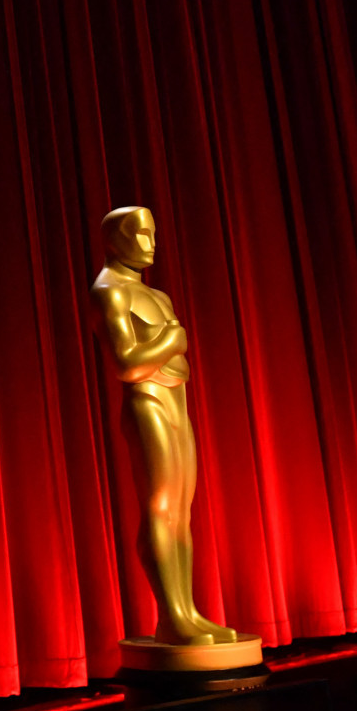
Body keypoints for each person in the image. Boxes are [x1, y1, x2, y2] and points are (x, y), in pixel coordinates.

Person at [90, 206, 239, 647]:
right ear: (115, 240)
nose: (149, 244)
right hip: (147, 402)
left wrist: (166, 343)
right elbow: (126, 364)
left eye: (152, 234)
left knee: (182, 513)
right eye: (139, 235)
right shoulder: (109, 292)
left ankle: (187, 611)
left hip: (176, 399)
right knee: (161, 507)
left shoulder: (158, 297)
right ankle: (171, 615)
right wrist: (172, 339)